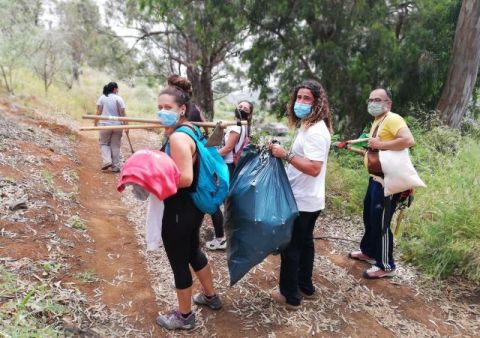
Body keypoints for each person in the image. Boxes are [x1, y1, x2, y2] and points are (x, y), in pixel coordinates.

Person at [156, 75, 221, 331]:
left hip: (179, 208)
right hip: (192, 208)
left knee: (179, 260)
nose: (162, 112)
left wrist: (154, 184)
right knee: (193, 250)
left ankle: (184, 317)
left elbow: (184, 178)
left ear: (182, 109)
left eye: (168, 108)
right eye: (160, 107)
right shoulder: (191, 129)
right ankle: (210, 296)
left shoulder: (178, 138)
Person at [270, 80, 332, 310]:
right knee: (305, 243)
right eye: (299, 98)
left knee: (291, 247)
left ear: (317, 102)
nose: (301, 102)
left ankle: (290, 295)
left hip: (304, 199)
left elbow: (314, 168)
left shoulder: (316, 132)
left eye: (307, 98)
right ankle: (306, 286)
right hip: (308, 198)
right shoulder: (308, 126)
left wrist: (285, 155)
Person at [348, 88, 415, 279]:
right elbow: (381, 151)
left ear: (388, 103)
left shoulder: (393, 118)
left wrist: (380, 145)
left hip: (387, 182)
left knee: (381, 223)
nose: (373, 103)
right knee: (370, 217)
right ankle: (369, 251)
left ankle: (386, 265)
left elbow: (408, 140)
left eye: (378, 100)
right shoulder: (379, 120)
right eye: (370, 100)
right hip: (376, 179)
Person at [206, 101, 253, 250]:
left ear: (250, 114)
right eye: (240, 106)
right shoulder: (243, 126)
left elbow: (227, 149)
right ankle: (232, 235)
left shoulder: (236, 127)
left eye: (245, 108)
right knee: (228, 202)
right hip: (231, 166)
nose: (241, 109)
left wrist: (207, 156)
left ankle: (221, 238)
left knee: (215, 200)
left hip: (226, 167)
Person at [95, 82, 127, 172]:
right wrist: (126, 125)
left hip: (105, 125)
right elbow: (123, 114)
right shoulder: (119, 99)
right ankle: (116, 167)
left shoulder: (102, 97)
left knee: (104, 143)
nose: (118, 90)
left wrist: (95, 122)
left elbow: (98, 112)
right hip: (118, 125)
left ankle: (107, 161)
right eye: (117, 88)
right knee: (115, 146)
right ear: (114, 89)